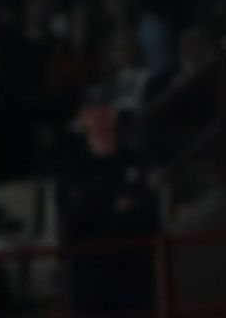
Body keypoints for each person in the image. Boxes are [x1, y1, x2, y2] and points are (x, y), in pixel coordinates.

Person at [56, 88, 159, 317]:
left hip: (133, 273)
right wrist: (115, 206)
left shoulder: (135, 161)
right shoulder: (72, 167)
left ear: (114, 115)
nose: (99, 118)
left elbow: (149, 215)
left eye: (104, 110)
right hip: (90, 275)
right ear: (83, 118)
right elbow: (73, 219)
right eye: (92, 112)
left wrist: (98, 206)